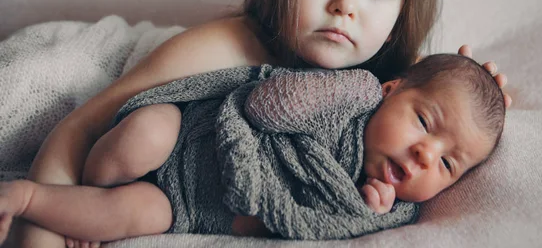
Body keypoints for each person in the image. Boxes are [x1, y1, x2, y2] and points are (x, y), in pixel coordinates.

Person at [12, 0, 511, 247]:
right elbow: (80, 127)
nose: (346, 6)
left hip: (181, 201)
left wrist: (474, 92)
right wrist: (45, 232)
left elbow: (446, 117)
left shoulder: (387, 85)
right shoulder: (225, 48)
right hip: (172, 144)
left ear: (402, 13)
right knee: (141, 137)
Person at [0, 54, 506, 243]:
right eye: (423, 122)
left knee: (132, 214)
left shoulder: (390, 208)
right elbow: (267, 108)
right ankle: (88, 184)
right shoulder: (353, 97)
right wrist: (355, 87)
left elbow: (300, 223)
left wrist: (360, 208)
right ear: (390, 89)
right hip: (195, 136)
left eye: (446, 162)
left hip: (195, 204)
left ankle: (26, 199)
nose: (423, 155)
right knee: (141, 140)